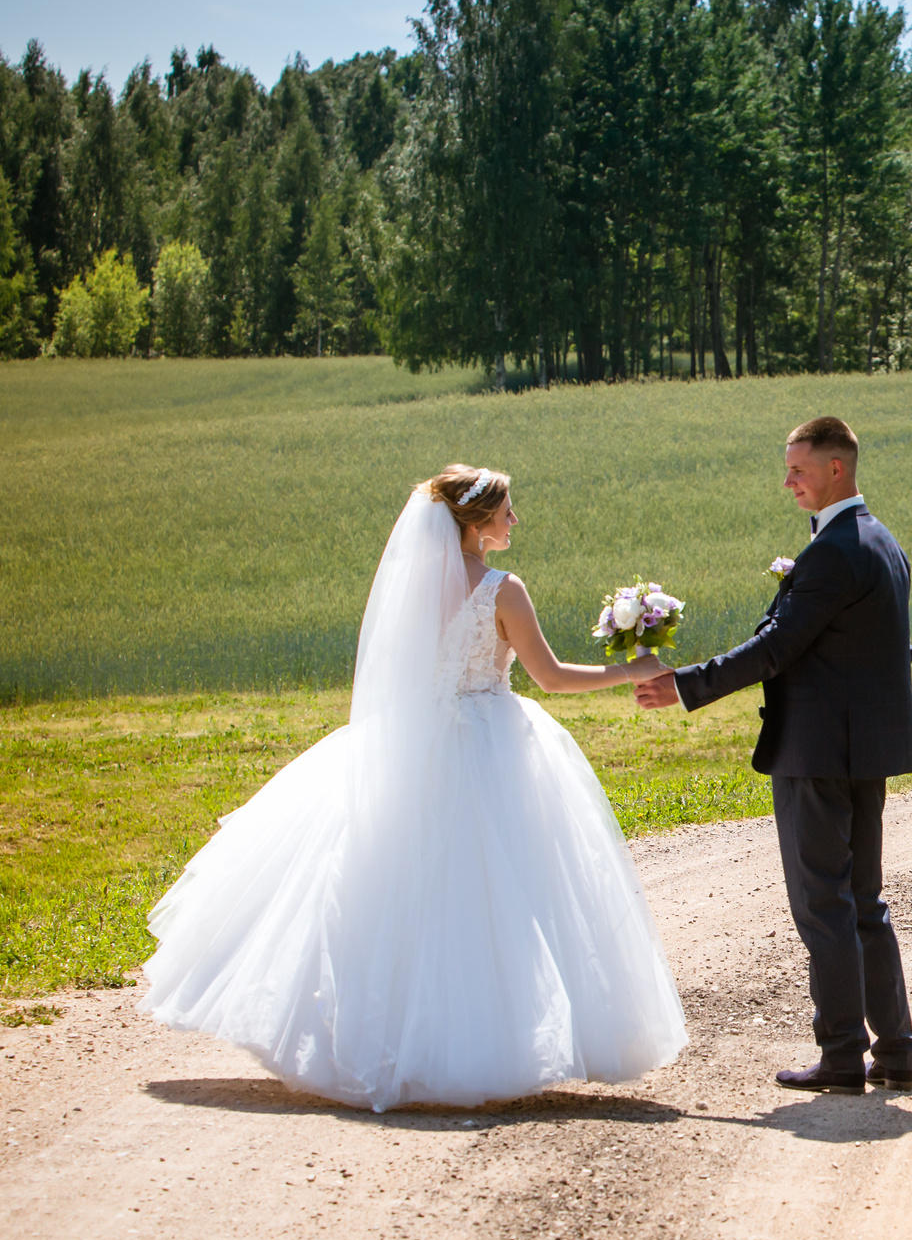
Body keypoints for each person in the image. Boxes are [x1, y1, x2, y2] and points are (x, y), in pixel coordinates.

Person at [140, 465, 688, 1111]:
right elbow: (553, 678)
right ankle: (467, 1044)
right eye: (507, 512)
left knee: (397, 890)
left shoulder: (413, 586)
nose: (515, 522)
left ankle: (385, 1038)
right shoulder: (503, 590)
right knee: (486, 898)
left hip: (412, 742)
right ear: (478, 522)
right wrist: (632, 669)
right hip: (488, 745)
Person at [635, 417, 912, 1096]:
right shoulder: (881, 542)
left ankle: (844, 1055)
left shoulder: (833, 552)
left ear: (836, 470)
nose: (787, 481)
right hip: (863, 751)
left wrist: (685, 686)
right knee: (861, 903)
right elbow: (801, 637)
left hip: (819, 752)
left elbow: (776, 648)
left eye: (798, 469)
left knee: (824, 905)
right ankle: (896, 1049)